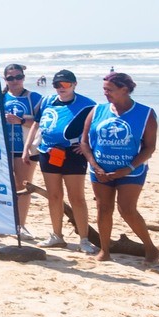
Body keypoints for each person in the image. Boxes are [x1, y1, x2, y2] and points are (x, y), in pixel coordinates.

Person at [80, 72, 159, 263]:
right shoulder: (97, 110)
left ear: (125, 89)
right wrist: (95, 165)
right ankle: (104, 251)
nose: (105, 93)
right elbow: (84, 142)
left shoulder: (145, 113)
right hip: (100, 169)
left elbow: (150, 147)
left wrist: (128, 168)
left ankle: (150, 248)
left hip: (131, 170)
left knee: (127, 209)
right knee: (103, 208)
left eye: (110, 89)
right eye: (104, 89)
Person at [24, 69, 97, 253]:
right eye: (57, 84)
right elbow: (37, 123)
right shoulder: (48, 101)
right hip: (48, 152)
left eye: (65, 84)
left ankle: (84, 239)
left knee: (77, 197)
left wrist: (86, 145)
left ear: (74, 84)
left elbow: (97, 128)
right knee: (54, 196)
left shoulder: (87, 105)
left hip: (73, 154)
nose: (61, 88)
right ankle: (57, 236)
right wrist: (27, 147)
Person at [1, 63, 43, 235]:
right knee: (3, 186)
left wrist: (20, 121)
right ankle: (4, 223)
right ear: (5, 79)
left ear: (23, 78)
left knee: (22, 186)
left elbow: (42, 123)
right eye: (10, 78)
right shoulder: (0, 97)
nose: (15, 81)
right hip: (3, 148)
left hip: (25, 148)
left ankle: (20, 225)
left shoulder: (34, 98)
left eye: (18, 77)